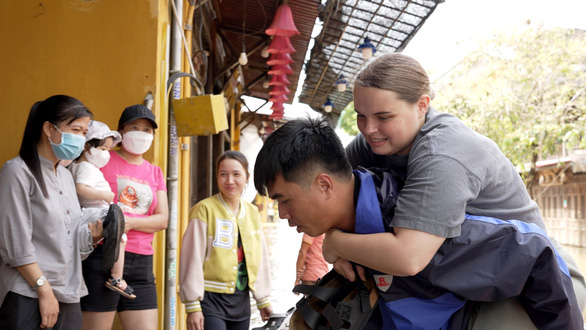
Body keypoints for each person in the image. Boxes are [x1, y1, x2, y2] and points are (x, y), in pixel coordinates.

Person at [253, 117, 583, 329]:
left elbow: (536, 254)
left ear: (325, 185)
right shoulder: (352, 224)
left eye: (284, 199)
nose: (282, 213)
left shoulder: (416, 224)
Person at [342, 52, 586, 328]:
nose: (369, 129)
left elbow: (409, 257)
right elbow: (330, 189)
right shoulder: (375, 142)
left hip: (537, 279)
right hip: (469, 277)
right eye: (361, 116)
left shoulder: (442, 153)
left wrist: (335, 245)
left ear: (422, 106)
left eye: (383, 116)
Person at [0, 95, 103, 329]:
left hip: (68, 292)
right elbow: (15, 245)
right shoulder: (16, 172)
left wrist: (93, 237)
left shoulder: (66, 176)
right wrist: (44, 292)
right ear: (48, 128)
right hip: (28, 292)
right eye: (75, 129)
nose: (80, 138)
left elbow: (68, 239)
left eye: (84, 132)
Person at [80, 105, 168, 330]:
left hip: (142, 263)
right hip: (103, 257)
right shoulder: (103, 159)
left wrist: (128, 223)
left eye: (147, 130)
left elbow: (162, 220)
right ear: (121, 132)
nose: (141, 133)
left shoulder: (155, 172)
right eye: (134, 127)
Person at [179, 150, 273, 330]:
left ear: (247, 177)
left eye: (236, 174)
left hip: (241, 300)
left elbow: (259, 258)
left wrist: (262, 299)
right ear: (217, 177)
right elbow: (192, 258)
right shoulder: (204, 209)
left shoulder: (252, 213)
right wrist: (192, 305)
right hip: (210, 298)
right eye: (223, 174)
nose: (230, 181)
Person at [69, 120, 136, 299]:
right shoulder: (86, 167)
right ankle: (116, 277)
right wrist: (105, 196)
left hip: (89, 212)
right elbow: (81, 188)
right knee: (121, 235)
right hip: (95, 211)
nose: (107, 154)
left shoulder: (78, 166)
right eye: (103, 149)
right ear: (87, 147)